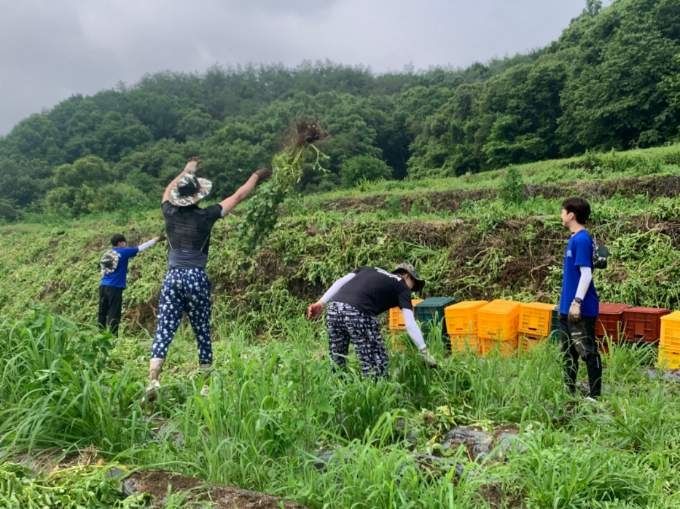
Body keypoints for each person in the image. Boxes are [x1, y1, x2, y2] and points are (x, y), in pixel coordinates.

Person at [146, 158, 270, 399]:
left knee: (164, 328)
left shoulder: (169, 213)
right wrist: (256, 176)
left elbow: (166, 191)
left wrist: (187, 170)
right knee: (201, 328)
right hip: (196, 277)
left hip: (173, 277)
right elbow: (238, 197)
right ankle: (204, 385)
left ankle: (153, 381)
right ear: (198, 197)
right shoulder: (206, 216)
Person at [307, 263, 438, 378]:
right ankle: (375, 397)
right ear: (407, 276)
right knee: (376, 362)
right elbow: (410, 323)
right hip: (358, 312)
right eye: (413, 285)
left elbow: (341, 281)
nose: (412, 290)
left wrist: (321, 302)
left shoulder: (369, 269)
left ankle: (337, 392)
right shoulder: (402, 286)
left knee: (337, 358)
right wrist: (424, 352)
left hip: (334, 308)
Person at [558, 197, 602, 400]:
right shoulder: (575, 238)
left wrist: (576, 302)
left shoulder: (582, 239)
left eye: (562, 211)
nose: (561, 215)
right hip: (567, 308)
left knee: (588, 352)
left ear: (571, 215)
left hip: (580, 309)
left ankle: (594, 396)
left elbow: (586, 274)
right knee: (569, 353)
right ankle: (569, 393)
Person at [98, 233, 160, 335]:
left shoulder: (107, 253)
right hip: (115, 287)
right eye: (124, 243)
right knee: (114, 313)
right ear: (120, 243)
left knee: (102, 311)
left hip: (103, 286)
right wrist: (156, 239)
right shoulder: (124, 252)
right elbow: (141, 248)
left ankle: (100, 334)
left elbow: (103, 270)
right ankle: (113, 338)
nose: (125, 245)